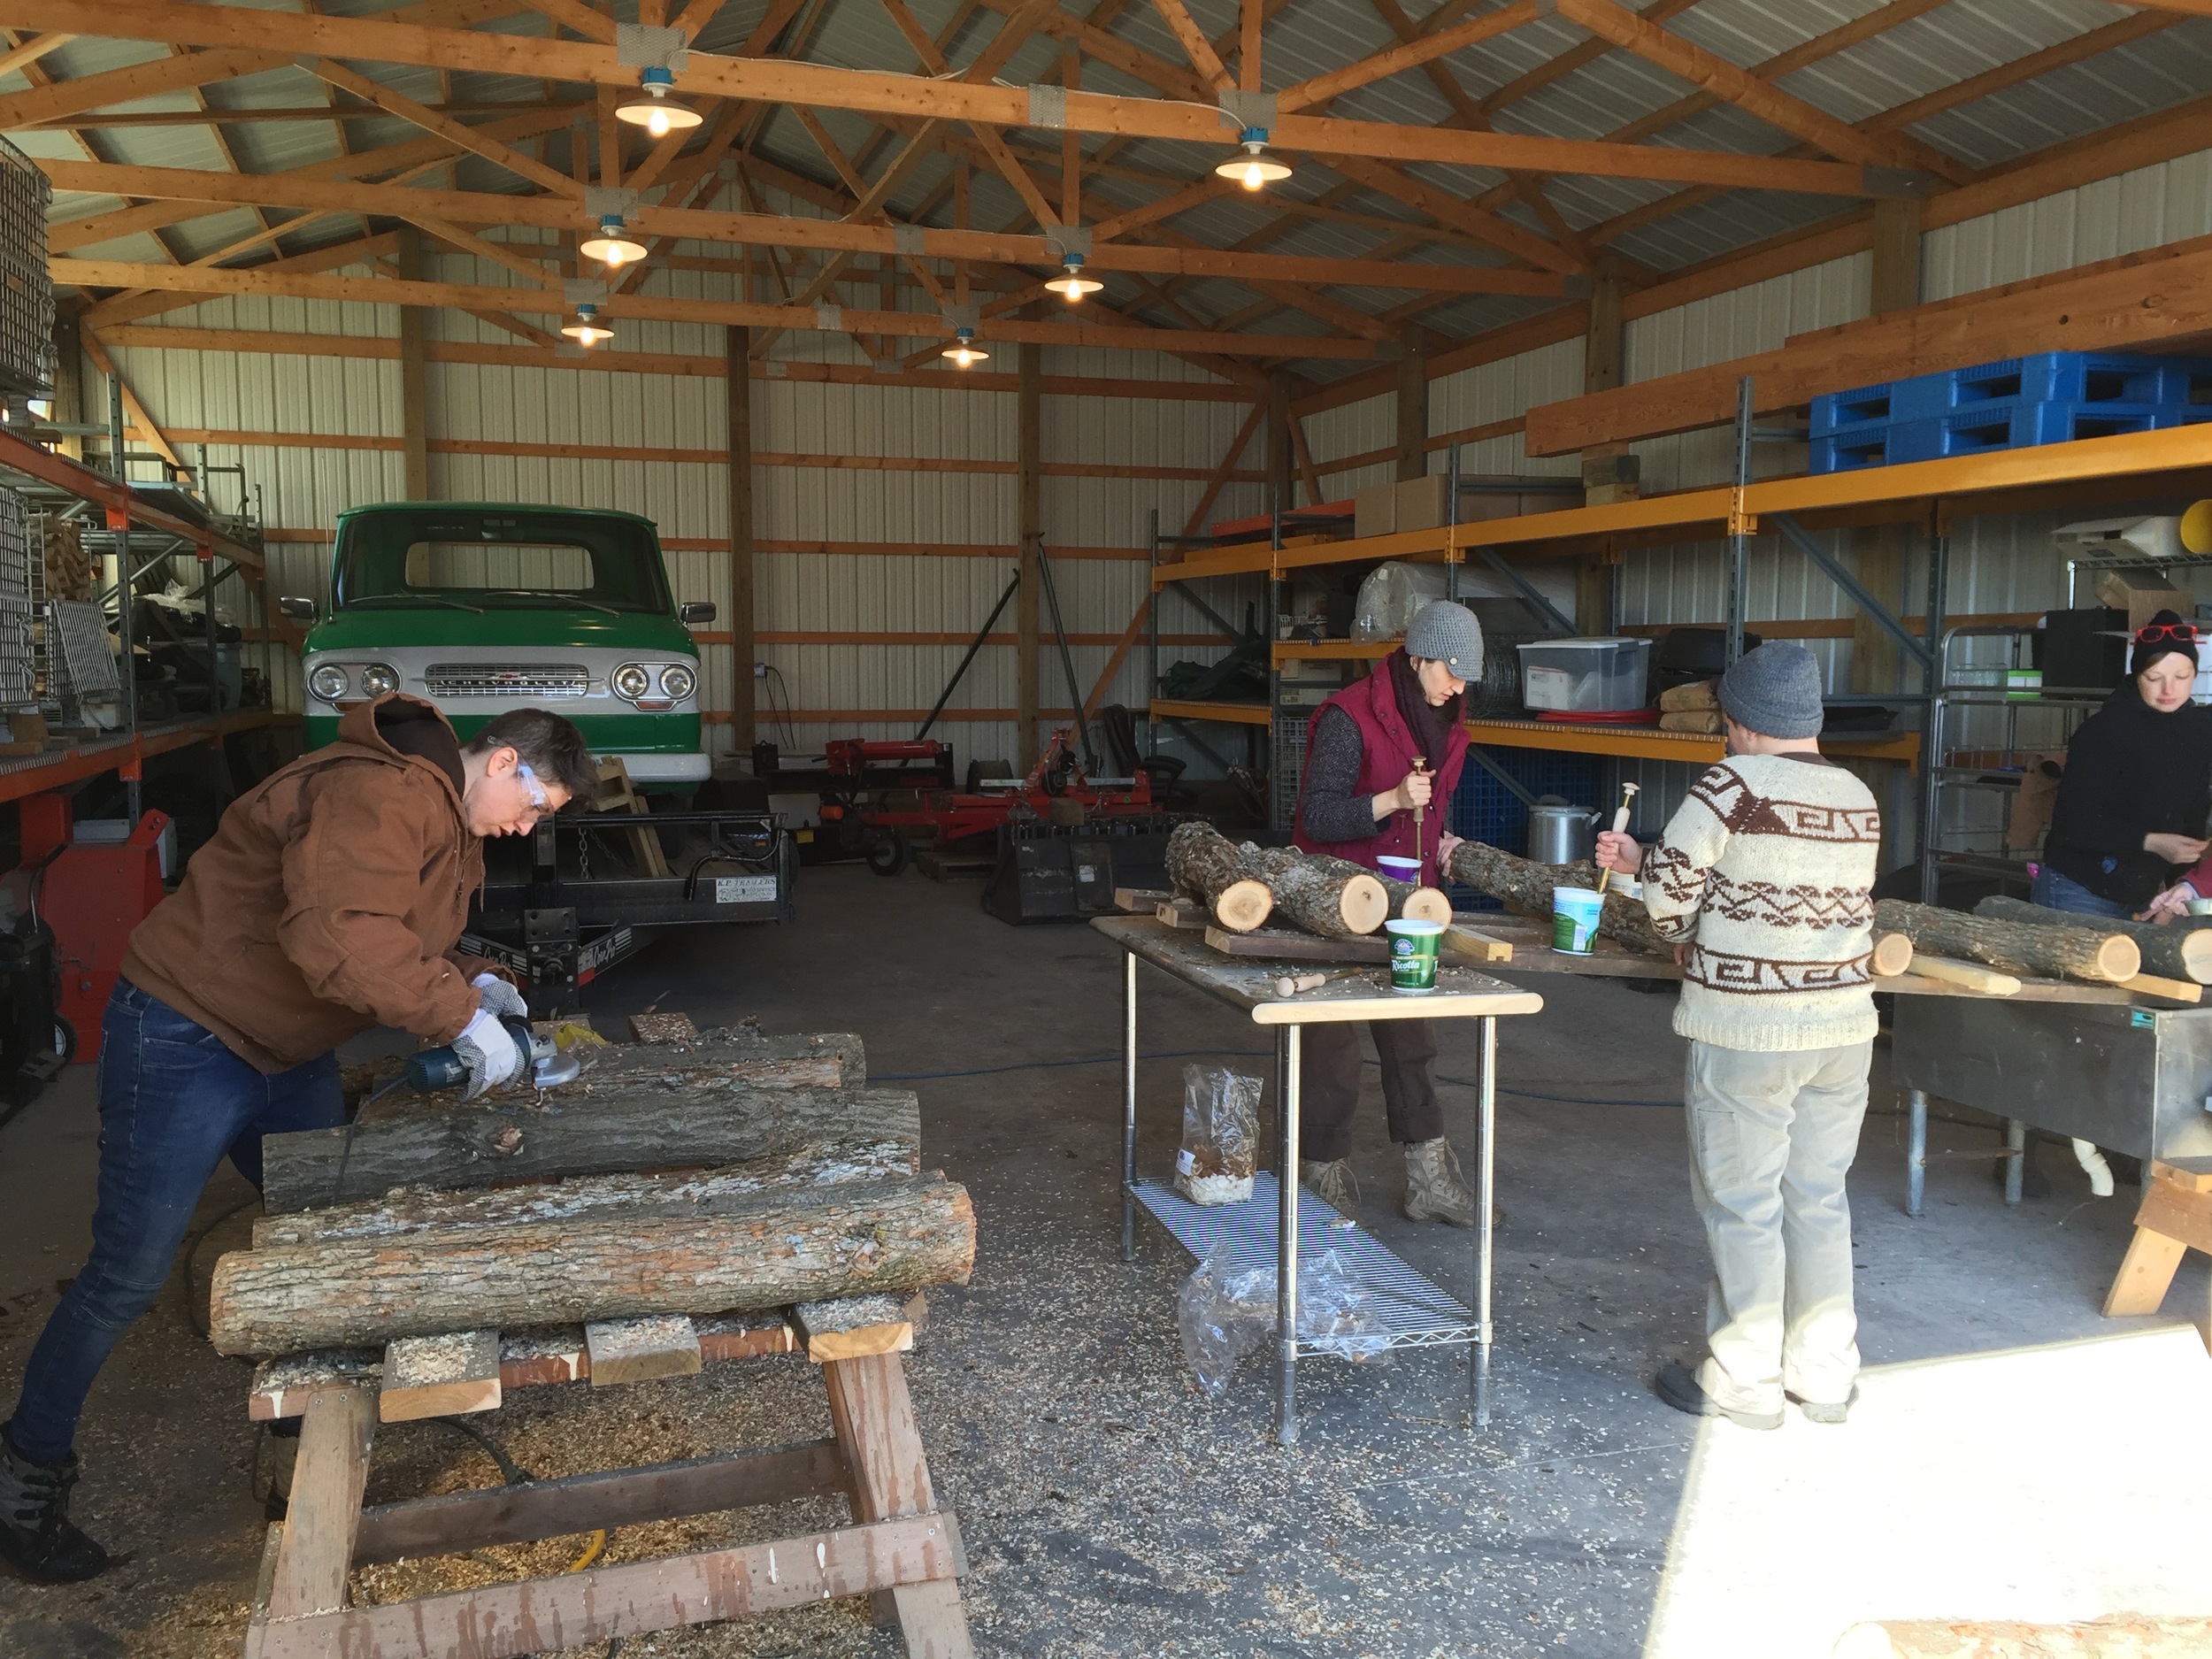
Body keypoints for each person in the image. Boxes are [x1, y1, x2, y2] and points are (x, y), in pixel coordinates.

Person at [0, 695, 597, 1584]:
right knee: (128, 1270)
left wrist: (480, 984)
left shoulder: (447, 817)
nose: (528, 827)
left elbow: (395, 927)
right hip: (189, 1030)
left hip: (287, 1045)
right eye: (537, 806)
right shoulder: (380, 791)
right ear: (504, 760)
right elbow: (338, 935)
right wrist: (456, 1021)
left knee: (321, 1235)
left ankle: (299, 1452)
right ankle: (24, 1472)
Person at [1594, 641, 1882, 1430]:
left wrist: (1671, 908)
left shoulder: (1730, 785)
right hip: (1844, 1029)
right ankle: (1823, 1372)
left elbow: (1669, 898)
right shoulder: (1859, 795)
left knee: (1744, 1200)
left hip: (1750, 1029)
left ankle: (1745, 1375)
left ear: (1740, 720)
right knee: (1818, 1195)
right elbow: (1785, 887)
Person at [1290, 598, 1483, 1226]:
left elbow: (1436, 808)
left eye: (1465, 676)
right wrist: (1391, 800)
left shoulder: (1451, 721)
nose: (1458, 686)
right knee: (1332, 1042)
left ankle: (1429, 1174)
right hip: (1340, 899)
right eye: (1450, 671)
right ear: (1418, 655)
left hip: (1411, 901)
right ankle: (1321, 1171)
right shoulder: (1349, 717)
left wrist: (1445, 845)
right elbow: (1317, 817)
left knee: (1412, 1036)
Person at [2039, 611, 2212, 920]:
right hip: (2082, 888)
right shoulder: (2104, 731)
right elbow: (2071, 823)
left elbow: (2193, 816)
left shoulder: (2199, 729)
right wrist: (2149, 841)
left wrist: (2176, 890)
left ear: (2195, 674)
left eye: (2181, 677)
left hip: (2146, 890)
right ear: (2136, 676)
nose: (2168, 690)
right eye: (2154, 678)